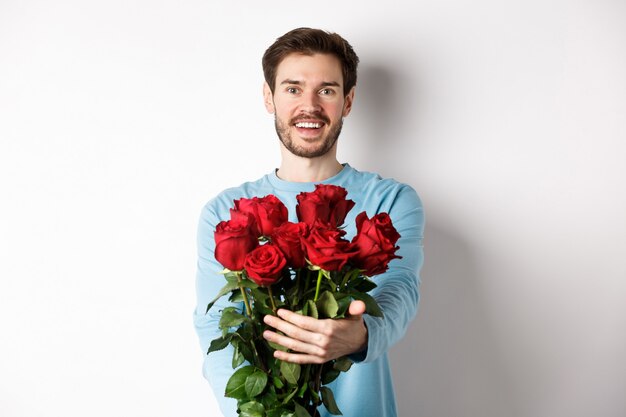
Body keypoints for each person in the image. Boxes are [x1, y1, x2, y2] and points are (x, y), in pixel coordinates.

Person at [193, 27, 425, 417]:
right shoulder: (226, 211)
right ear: (269, 98)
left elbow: (399, 290)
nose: (310, 105)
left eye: (327, 90)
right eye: (293, 88)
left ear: (348, 101)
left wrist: (362, 335)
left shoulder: (391, 200)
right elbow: (215, 325)